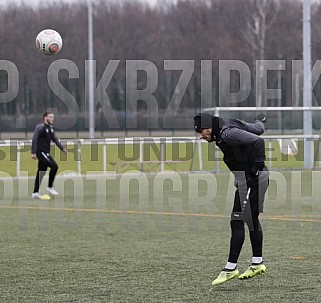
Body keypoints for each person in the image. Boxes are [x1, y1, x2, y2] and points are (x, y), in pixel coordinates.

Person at [193, 112, 269, 286]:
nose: (201, 136)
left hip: (253, 180)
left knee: (237, 221)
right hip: (249, 180)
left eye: (202, 131)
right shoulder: (229, 127)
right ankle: (257, 263)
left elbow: (258, 141)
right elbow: (257, 130)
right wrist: (259, 120)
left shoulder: (228, 133)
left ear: (210, 128)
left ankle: (230, 268)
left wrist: (256, 168)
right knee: (250, 220)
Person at [31, 111, 67, 199]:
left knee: (41, 172)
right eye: (50, 117)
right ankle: (49, 187)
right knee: (54, 166)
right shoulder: (41, 127)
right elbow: (34, 138)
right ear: (45, 118)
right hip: (41, 152)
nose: (52, 119)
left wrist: (62, 148)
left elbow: (55, 139)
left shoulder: (51, 128)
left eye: (53, 117)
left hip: (46, 152)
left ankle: (35, 193)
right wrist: (33, 152)